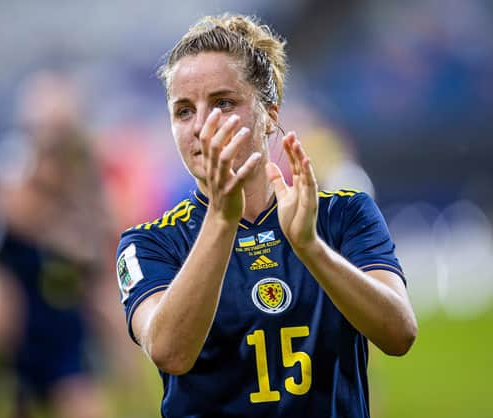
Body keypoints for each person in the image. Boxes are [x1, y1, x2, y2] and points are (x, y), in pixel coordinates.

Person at [115, 14, 417, 418]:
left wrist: (311, 248)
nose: (202, 126)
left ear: (270, 114)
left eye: (223, 103)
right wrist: (223, 218)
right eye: (184, 111)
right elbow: (169, 352)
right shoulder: (148, 243)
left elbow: (399, 334)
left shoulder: (344, 213)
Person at [0, 71, 112, 418]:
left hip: (62, 325)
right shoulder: (3, 205)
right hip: (17, 330)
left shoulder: (83, 169)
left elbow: (97, 240)